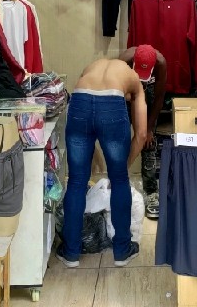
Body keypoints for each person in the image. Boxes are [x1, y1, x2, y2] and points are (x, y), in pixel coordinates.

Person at [57, 58, 147, 269]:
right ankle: (122, 251)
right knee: (120, 181)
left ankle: (71, 253)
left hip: (79, 101)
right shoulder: (134, 80)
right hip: (112, 107)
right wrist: (123, 167)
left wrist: (93, 152)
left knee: (76, 182)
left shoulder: (92, 67)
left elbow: (89, 111)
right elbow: (142, 134)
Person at [118, 45, 167, 220]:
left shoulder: (161, 63)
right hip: (125, 93)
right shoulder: (123, 61)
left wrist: (149, 128)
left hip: (150, 94)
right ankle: (118, 184)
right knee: (121, 139)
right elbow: (115, 93)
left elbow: (159, 98)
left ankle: (151, 191)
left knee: (148, 142)